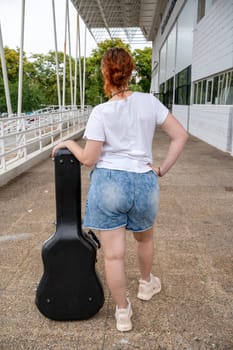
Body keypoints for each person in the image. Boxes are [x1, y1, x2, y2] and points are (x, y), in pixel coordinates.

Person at [52, 47, 188, 332]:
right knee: (145, 240)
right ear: (131, 71)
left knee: (113, 255)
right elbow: (180, 135)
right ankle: (146, 284)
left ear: (106, 73)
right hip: (144, 182)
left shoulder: (101, 111)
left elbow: (89, 159)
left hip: (110, 183)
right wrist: (161, 169)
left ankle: (123, 313)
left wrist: (69, 144)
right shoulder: (149, 102)